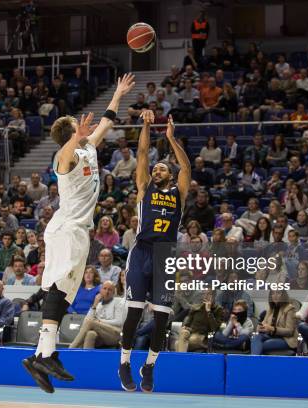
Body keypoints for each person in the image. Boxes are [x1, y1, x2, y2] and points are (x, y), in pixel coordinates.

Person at [23, 73, 135, 394]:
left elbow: (108, 122)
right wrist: (75, 138)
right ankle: (45, 356)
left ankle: (42, 357)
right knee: (59, 290)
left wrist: (117, 94)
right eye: (77, 126)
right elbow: (63, 157)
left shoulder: (87, 148)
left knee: (65, 293)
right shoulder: (65, 156)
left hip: (77, 230)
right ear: (70, 134)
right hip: (66, 227)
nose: (84, 128)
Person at [119, 110, 191, 393]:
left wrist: (172, 138)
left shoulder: (179, 194)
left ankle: (148, 366)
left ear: (170, 175)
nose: (155, 170)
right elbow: (142, 152)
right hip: (142, 252)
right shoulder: (144, 188)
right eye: (155, 168)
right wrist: (146, 125)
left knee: (162, 318)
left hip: (166, 256)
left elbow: (186, 168)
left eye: (161, 168)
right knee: (134, 314)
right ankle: (124, 362)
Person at [68, 281, 126, 349]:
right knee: (90, 334)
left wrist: (100, 321)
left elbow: (119, 322)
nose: (107, 292)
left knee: (91, 323)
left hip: (115, 334)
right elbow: (86, 321)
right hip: (102, 335)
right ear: (100, 291)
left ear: (113, 293)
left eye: (110, 290)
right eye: (104, 288)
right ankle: (87, 358)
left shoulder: (118, 301)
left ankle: (71, 348)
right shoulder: (98, 305)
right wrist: (95, 304)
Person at [251, 289, 298, 355]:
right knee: (256, 338)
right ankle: (255, 363)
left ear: (283, 295)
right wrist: (260, 328)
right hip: (271, 336)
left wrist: (272, 328)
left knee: (261, 345)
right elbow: (264, 323)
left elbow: (290, 331)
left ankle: (254, 363)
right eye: (272, 293)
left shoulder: (290, 309)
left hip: (286, 340)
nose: (275, 295)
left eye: (278, 293)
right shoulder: (270, 309)